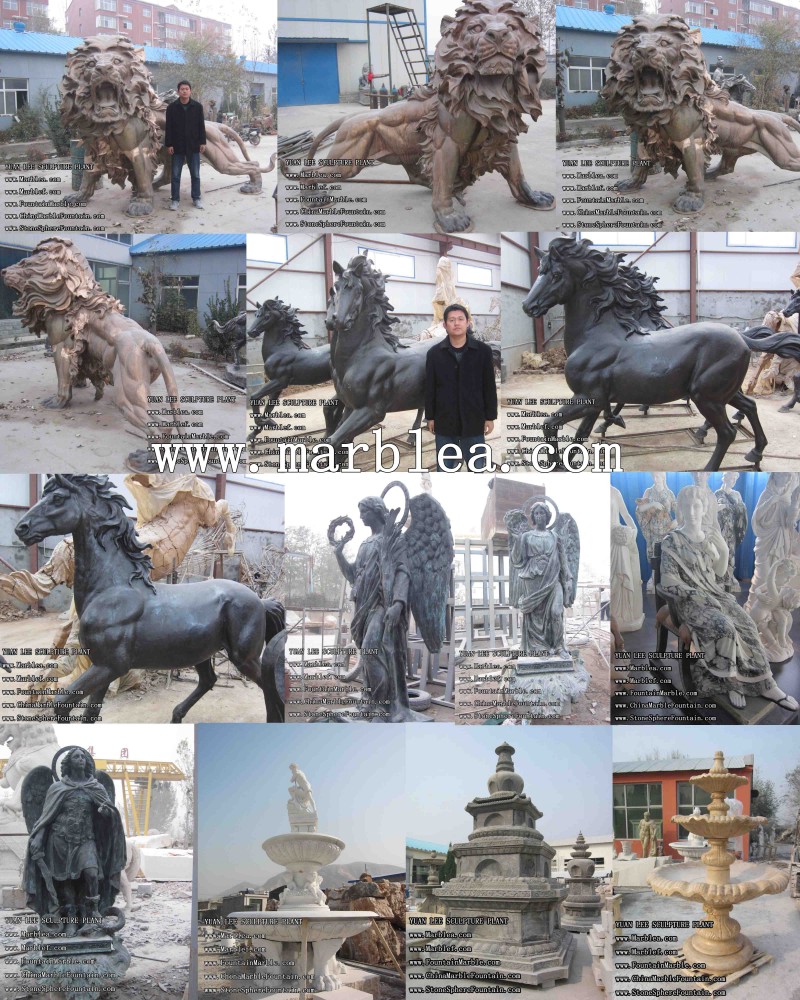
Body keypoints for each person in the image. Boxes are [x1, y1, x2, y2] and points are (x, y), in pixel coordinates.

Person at [24, 748, 126, 935]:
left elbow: (111, 815)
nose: (81, 759)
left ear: (88, 762)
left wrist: (106, 813)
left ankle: (92, 914)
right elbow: (46, 817)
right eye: (76, 756)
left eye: (83, 757)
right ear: (68, 763)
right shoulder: (57, 788)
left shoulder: (97, 787)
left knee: (92, 874)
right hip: (60, 840)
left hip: (86, 839)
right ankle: (71, 920)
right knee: (66, 881)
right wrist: (38, 837)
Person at [424, 303, 497, 471]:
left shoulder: (483, 351)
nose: (456, 323)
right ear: (444, 325)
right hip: (444, 423)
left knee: (477, 468)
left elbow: (489, 386)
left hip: (474, 422)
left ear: (468, 322)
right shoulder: (434, 354)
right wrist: (430, 417)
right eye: (451, 320)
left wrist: (490, 416)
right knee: (445, 469)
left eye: (460, 319)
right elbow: (430, 388)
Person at [165, 80, 207, 210]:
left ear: (190, 91)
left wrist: (202, 142)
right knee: (176, 175)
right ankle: (175, 200)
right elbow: (169, 127)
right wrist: (169, 144)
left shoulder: (197, 107)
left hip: (193, 145)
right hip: (177, 146)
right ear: (178, 91)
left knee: (195, 174)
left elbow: (201, 126)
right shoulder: (172, 108)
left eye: (187, 89)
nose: (184, 91)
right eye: (182, 89)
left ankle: (196, 198)